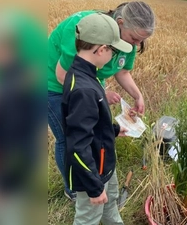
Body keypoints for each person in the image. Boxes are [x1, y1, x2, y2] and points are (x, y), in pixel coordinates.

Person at [48, 1, 155, 200]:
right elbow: (64, 76)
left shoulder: (127, 42)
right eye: (134, 38)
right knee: (69, 137)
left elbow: (122, 71)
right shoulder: (87, 29)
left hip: (88, 86)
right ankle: (74, 188)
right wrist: (100, 94)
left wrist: (137, 95)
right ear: (120, 23)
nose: (136, 46)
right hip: (54, 85)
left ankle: (91, 176)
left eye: (141, 41)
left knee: (91, 132)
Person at [62, 13, 130, 225]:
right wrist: (94, 186)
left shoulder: (87, 75)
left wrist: (114, 129)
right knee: (88, 218)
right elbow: (78, 145)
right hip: (93, 172)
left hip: (104, 165)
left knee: (111, 206)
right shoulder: (83, 89)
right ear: (101, 50)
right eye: (113, 50)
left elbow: (93, 122)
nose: (113, 55)